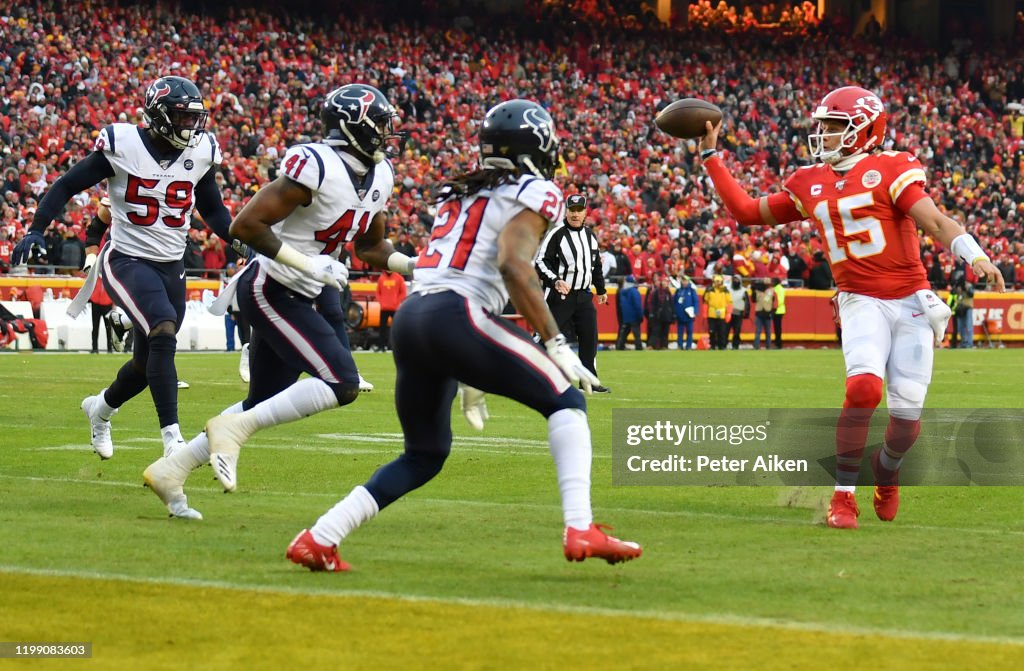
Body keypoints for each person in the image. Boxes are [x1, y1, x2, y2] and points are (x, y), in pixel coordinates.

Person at [284, 99, 641, 571]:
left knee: (425, 453)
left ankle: (319, 537)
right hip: (457, 314)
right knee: (567, 404)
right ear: (537, 146)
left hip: (414, 318)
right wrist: (556, 344)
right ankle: (581, 527)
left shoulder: (461, 191)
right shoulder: (537, 191)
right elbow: (514, 265)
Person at [698, 85, 1005, 529]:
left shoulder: (891, 168)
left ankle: (888, 469)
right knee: (863, 389)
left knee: (905, 422)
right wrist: (711, 157)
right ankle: (843, 497)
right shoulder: (810, 181)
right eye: (822, 126)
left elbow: (935, 220)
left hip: (910, 302)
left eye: (835, 126)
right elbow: (747, 211)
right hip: (859, 299)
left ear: (864, 129)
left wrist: (974, 253)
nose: (823, 135)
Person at [141, 83, 415, 518]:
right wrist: (310, 265)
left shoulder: (379, 175)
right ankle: (232, 430)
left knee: (263, 399)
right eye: (379, 125)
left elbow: (370, 247)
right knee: (341, 383)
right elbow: (245, 226)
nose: (386, 133)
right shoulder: (317, 165)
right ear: (352, 127)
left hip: (300, 294)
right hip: (269, 288)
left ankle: (172, 469)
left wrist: (415, 266)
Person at [13, 75, 233, 461]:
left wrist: (242, 238)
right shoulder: (124, 144)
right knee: (164, 328)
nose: (191, 126)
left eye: (194, 118)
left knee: (147, 361)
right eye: (182, 117)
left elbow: (213, 209)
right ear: (160, 116)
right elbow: (66, 184)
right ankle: (172, 441)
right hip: (127, 257)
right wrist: (36, 228)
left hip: (172, 263)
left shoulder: (199, 153)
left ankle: (100, 409)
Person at [535, 194, 610, 393]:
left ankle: (589, 381)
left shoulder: (590, 235)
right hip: (560, 295)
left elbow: (595, 265)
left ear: (585, 212)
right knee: (547, 337)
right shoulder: (557, 233)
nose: (575, 214)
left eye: (579, 210)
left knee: (589, 338)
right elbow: (541, 261)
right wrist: (555, 281)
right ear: (566, 211)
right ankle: (532, 377)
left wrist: (600, 289)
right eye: (572, 210)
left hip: (584, 295)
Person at [374, 267, 407, 351]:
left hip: (394, 308)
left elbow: (403, 292)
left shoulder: (399, 278)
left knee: (396, 328)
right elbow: (378, 292)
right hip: (384, 308)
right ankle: (381, 346)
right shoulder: (381, 278)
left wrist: (397, 302)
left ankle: (395, 346)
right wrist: (381, 302)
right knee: (382, 329)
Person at [643, 274, 673, 349]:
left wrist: (672, 314)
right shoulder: (656, 292)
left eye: (666, 282)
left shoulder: (668, 292)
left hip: (666, 315)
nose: (664, 283)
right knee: (655, 331)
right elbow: (653, 303)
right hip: (658, 315)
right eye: (663, 281)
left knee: (665, 332)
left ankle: (664, 346)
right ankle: (651, 345)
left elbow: (671, 304)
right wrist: (652, 313)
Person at [615, 275, 644, 350]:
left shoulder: (622, 292)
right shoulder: (634, 291)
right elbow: (637, 305)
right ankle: (639, 347)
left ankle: (619, 347)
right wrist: (640, 316)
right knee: (637, 335)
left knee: (623, 334)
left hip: (626, 317)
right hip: (634, 317)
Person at [703, 274, 731, 350]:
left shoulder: (725, 290)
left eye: (719, 282)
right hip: (711, 313)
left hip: (722, 313)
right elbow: (705, 302)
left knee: (721, 331)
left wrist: (728, 313)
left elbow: (729, 303)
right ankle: (712, 345)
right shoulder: (709, 290)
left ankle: (721, 346)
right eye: (716, 281)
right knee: (712, 331)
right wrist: (705, 312)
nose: (718, 283)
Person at [674, 274, 699, 350]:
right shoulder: (678, 291)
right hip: (680, 315)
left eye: (685, 281)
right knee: (680, 332)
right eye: (683, 280)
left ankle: (688, 346)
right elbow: (675, 302)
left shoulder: (692, 291)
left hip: (689, 315)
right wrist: (675, 313)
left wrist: (695, 312)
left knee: (689, 331)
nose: (684, 282)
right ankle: (680, 345)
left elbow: (695, 302)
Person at [750, 278, 776, 350]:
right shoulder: (770, 291)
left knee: (763, 331)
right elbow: (754, 300)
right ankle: (762, 346)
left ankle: (764, 345)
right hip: (762, 312)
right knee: (764, 331)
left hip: (764, 312)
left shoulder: (769, 291)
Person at [727, 274, 750, 349]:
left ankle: (735, 345)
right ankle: (723, 345)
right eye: (734, 279)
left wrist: (746, 312)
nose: (735, 281)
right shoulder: (728, 289)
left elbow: (747, 302)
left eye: (737, 280)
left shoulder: (743, 291)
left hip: (738, 312)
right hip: (728, 312)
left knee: (737, 331)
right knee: (725, 330)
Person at [771, 277, 786, 349]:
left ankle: (778, 344)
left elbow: (779, 300)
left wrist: (774, 308)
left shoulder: (776, 289)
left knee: (777, 328)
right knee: (778, 328)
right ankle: (778, 343)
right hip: (781, 309)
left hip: (777, 310)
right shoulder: (781, 289)